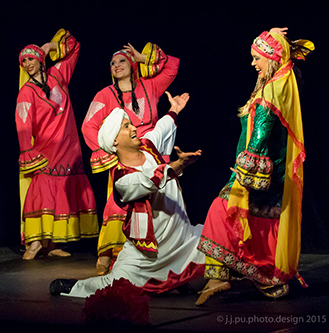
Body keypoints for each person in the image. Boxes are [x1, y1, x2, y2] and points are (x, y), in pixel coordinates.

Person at [195, 28, 315, 305]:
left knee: (221, 211)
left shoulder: (272, 88)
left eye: (256, 58)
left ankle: (237, 277)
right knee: (258, 221)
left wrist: (249, 162)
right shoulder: (282, 81)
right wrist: (273, 35)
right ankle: (246, 277)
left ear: (271, 58)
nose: (253, 64)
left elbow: (262, 127)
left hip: (259, 170)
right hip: (272, 171)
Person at [50, 91, 205, 297]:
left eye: (130, 124)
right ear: (115, 141)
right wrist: (176, 165)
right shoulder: (122, 178)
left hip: (182, 239)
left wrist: (174, 109)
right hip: (149, 253)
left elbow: (161, 128)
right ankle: (74, 287)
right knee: (115, 286)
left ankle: (181, 281)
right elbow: (150, 181)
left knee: (218, 239)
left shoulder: (148, 146)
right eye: (126, 126)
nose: (134, 128)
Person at [82, 41, 180, 274]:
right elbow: (88, 126)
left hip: (152, 154)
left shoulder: (150, 86)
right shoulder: (104, 95)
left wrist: (142, 57)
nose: (117, 65)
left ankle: (158, 253)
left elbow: (173, 65)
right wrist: (109, 151)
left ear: (132, 64)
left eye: (122, 60)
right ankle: (108, 251)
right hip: (125, 156)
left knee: (159, 202)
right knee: (119, 204)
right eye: (113, 63)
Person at [16, 29, 98, 260]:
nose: (27, 63)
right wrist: (26, 150)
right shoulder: (26, 92)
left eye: (31, 58)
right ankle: (34, 243)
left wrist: (50, 46)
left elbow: (74, 46)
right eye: (24, 61)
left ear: (40, 59)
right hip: (46, 148)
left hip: (69, 146)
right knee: (42, 192)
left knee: (62, 192)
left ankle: (51, 245)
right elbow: (23, 123)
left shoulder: (58, 75)